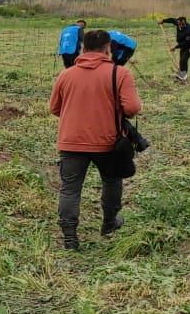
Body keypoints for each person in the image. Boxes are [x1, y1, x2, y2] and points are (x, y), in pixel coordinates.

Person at [49, 30, 141, 250]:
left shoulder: (66, 74)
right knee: (111, 181)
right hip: (107, 141)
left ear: (83, 48)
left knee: (70, 188)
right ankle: (109, 223)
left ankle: (70, 236)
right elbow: (132, 108)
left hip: (71, 140)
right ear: (108, 48)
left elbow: (54, 108)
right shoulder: (120, 74)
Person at [160, 16, 190, 82]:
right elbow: (172, 19)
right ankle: (181, 75)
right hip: (183, 45)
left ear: (184, 23)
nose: (179, 26)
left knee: (184, 60)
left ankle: (184, 77)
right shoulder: (178, 22)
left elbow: (186, 43)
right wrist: (163, 21)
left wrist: (175, 47)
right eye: (178, 24)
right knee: (181, 61)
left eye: (181, 24)